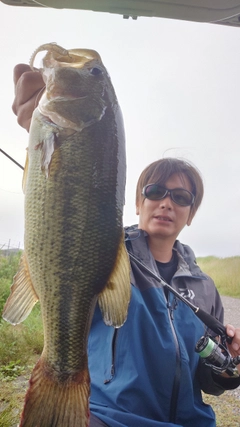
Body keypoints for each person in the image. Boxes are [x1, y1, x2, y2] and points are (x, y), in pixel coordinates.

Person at [12, 65, 240, 427]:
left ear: (190, 213)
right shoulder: (107, 251)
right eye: (154, 192)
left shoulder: (206, 289)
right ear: (137, 203)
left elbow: (208, 383)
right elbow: (70, 208)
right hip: (110, 419)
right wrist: (44, 129)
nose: (166, 202)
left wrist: (228, 369)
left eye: (180, 197)